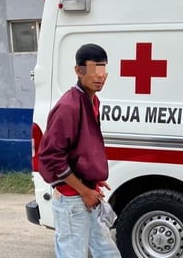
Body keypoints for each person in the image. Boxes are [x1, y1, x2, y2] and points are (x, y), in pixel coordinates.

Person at [38, 43, 121, 258]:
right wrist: (83, 190)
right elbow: (51, 156)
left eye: (103, 70)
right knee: (72, 254)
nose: (99, 76)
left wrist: (92, 177)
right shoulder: (69, 106)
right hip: (72, 198)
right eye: (93, 70)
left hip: (88, 193)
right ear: (78, 71)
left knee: (106, 251)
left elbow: (81, 148)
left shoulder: (92, 100)